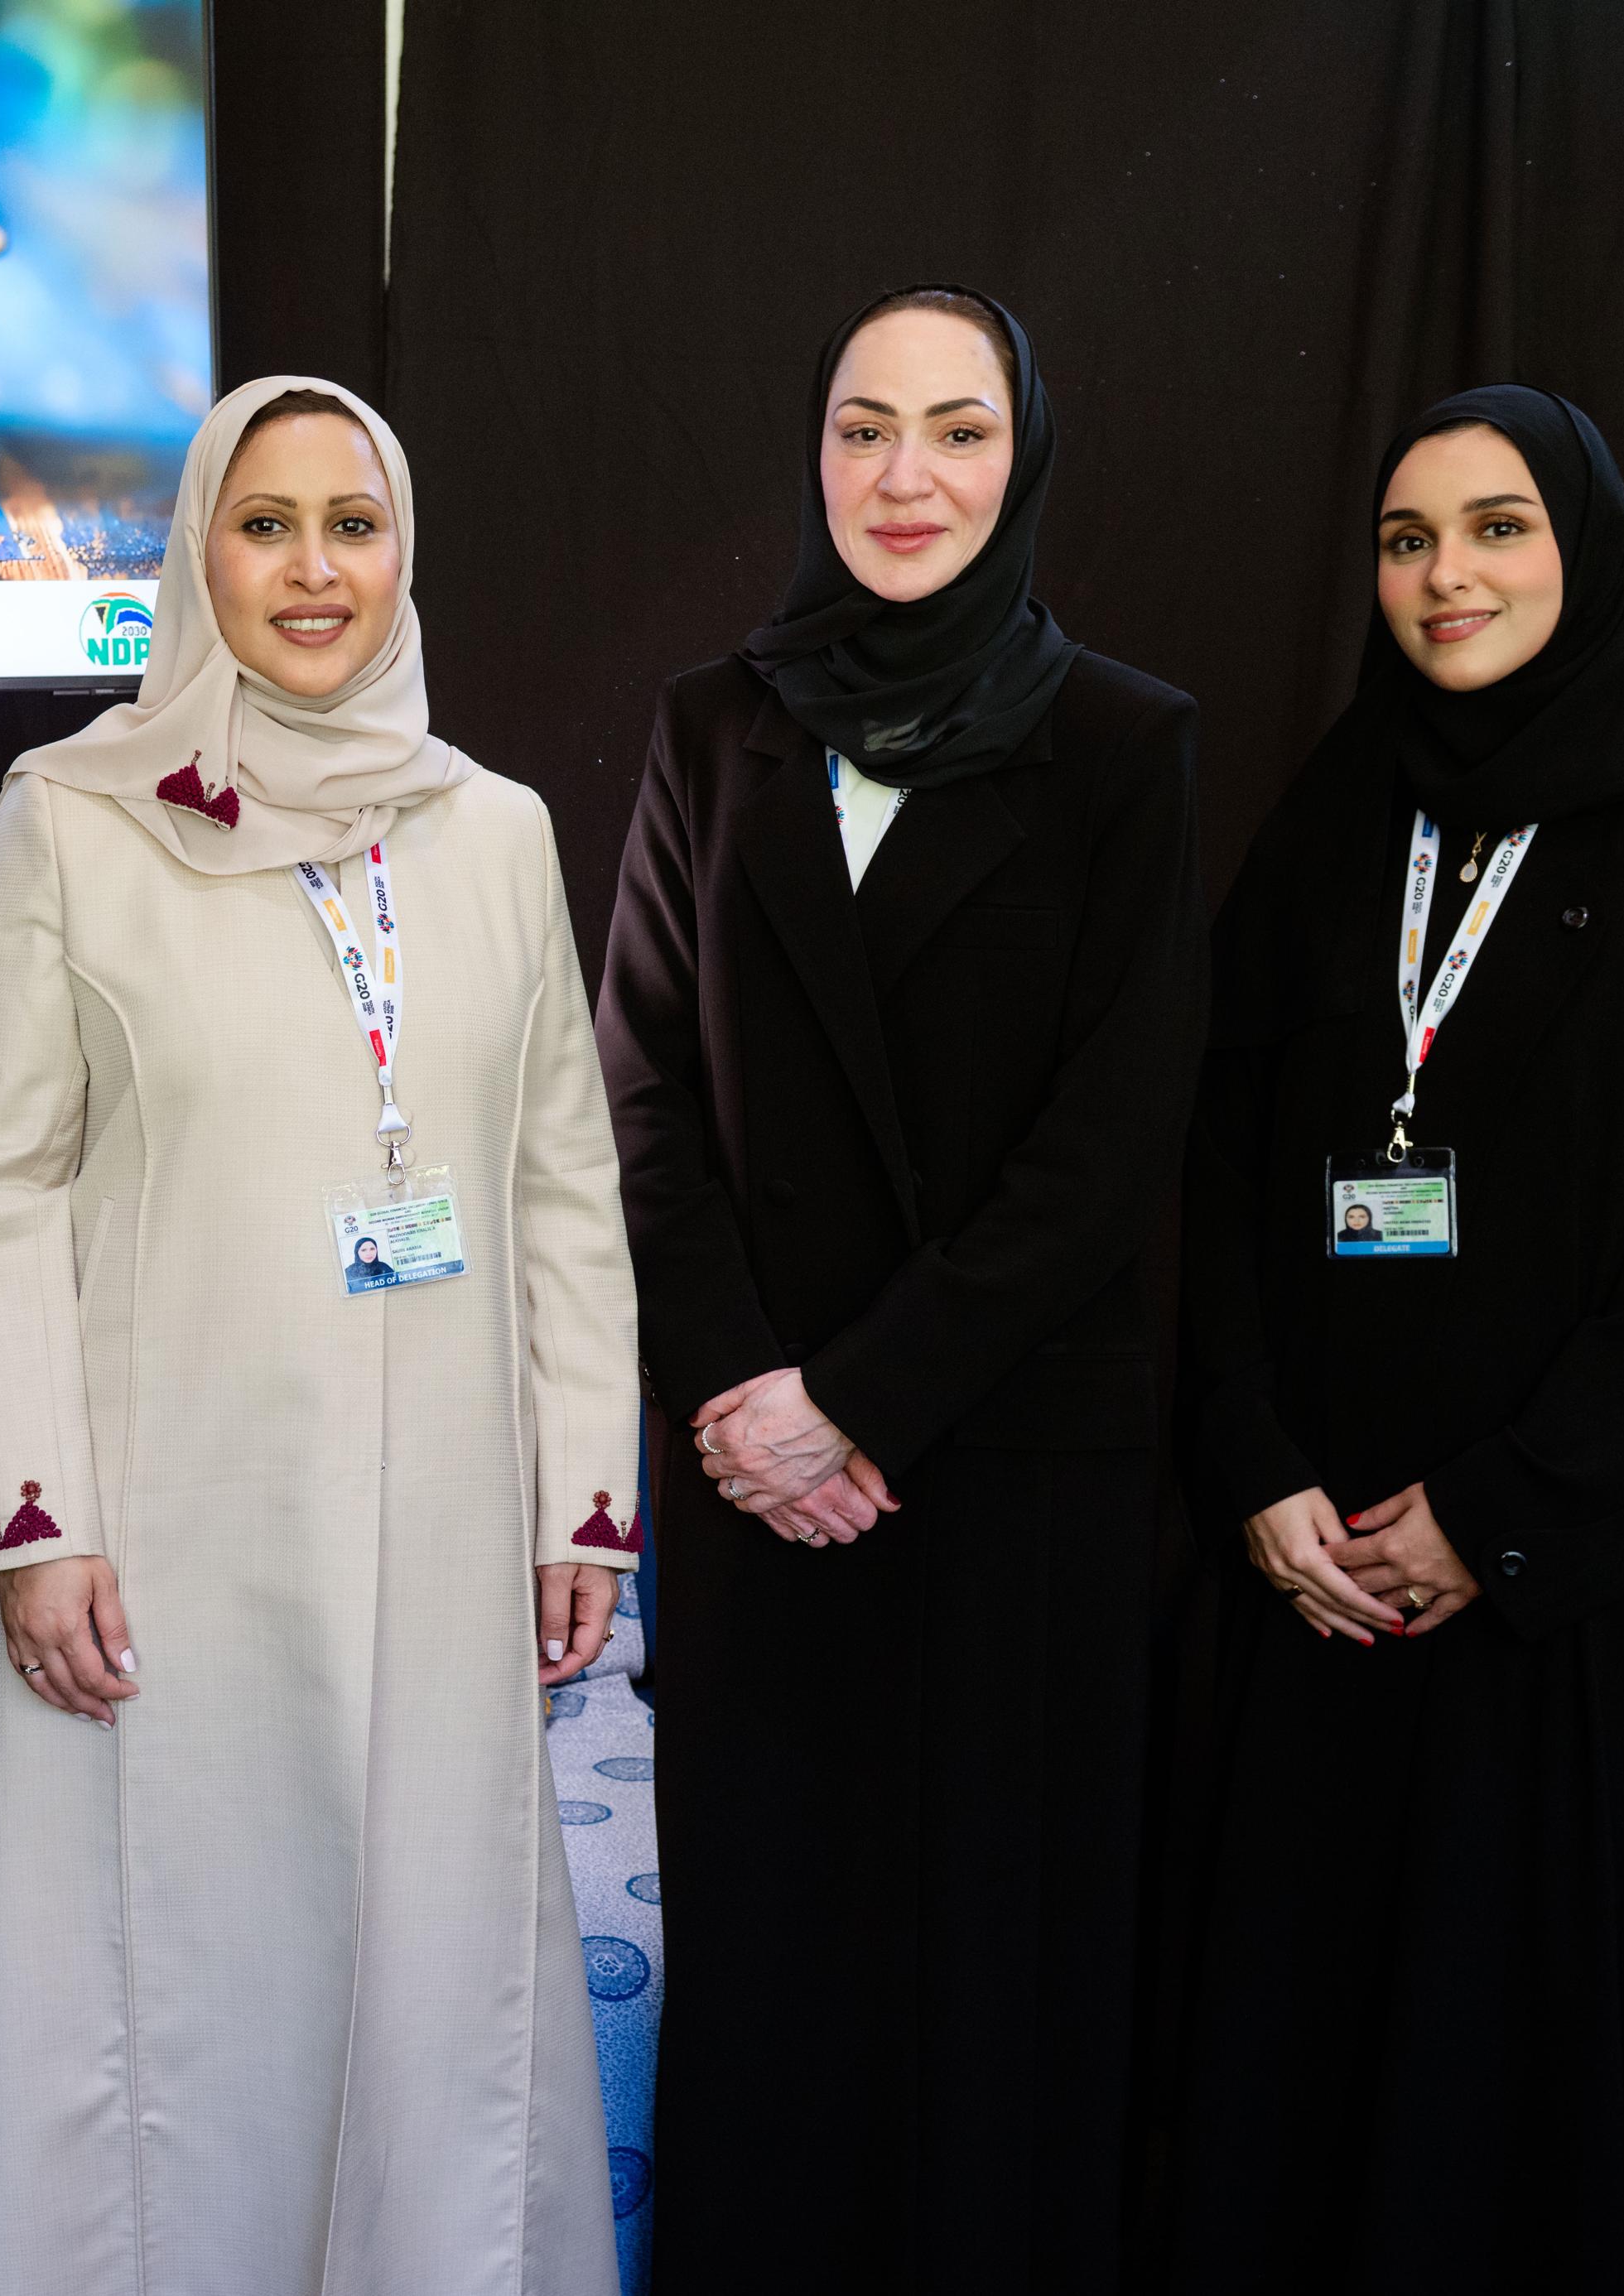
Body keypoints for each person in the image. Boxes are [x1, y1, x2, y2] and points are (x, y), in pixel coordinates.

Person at [0, 375, 638, 2295]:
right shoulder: (73, 820)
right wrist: (32, 1524)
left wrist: (582, 1498)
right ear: (198, 555)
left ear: (404, 553)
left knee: (430, 1990)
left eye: (352, 525)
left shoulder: (493, 830)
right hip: (163, 1553)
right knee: (184, 2014)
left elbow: (560, 1179)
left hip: (441, 1537)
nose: (312, 570)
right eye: (265, 526)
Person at [592, 285, 1204, 2292]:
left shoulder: (1123, 743)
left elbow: (1106, 1140)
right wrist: (739, 1392)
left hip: (998, 1466)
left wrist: (856, 1396)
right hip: (751, 1467)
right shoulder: (715, 724)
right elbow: (639, 1086)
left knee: (988, 2004)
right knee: (779, 1980)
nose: (904, 474)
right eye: (863, 427)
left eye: (957, 429)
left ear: (1023, 460)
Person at [1161, 386, 1624, 2292]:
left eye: (1497, 526)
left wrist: (1499, 1517)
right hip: (1308, 1577)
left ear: (1581, 550)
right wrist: (1253, 1464)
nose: (1446, 574)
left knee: (1502, 2099)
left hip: (1550, 1607)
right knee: (1289, 2085)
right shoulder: (1325, 826)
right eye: (1406, 538)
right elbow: (1208, 1170)